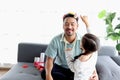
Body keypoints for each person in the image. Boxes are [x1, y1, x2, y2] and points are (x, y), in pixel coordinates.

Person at [41, 12, 99, 80]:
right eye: (66, 24)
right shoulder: (55, 40)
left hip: (76, 69)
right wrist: (48, 75)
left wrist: (95, 73)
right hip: (60, 68)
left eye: (72, 24)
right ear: (63, 26)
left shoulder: (84, 41)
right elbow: (49, 59)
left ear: (77, 26)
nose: (69, 27)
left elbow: (91, 57)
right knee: (44, 72)